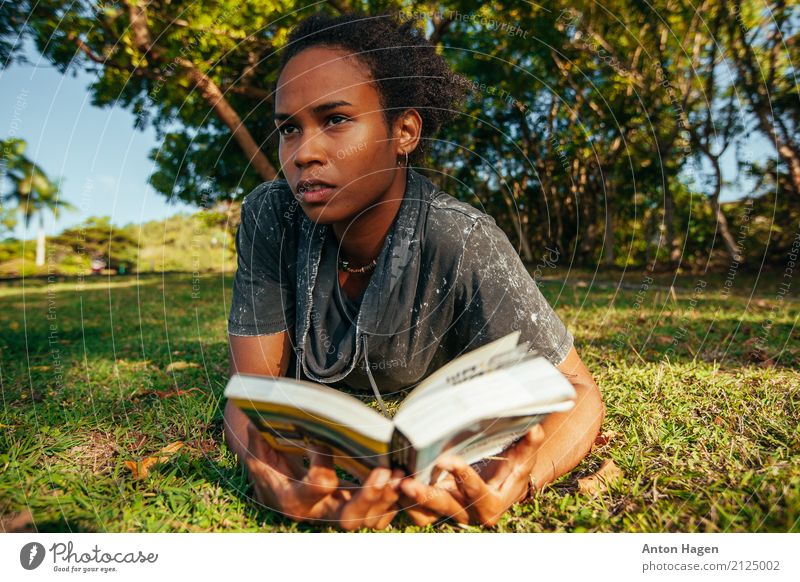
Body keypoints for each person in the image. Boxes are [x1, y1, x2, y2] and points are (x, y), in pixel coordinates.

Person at [223, 9, 605, 531]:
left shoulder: (460, 239)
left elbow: (576, 389)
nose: (303, 152)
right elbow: (252, 391)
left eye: (335, 119)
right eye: (289, 129)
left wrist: (520, 474)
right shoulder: (272, 216)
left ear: (403, 130)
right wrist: (267, 467)